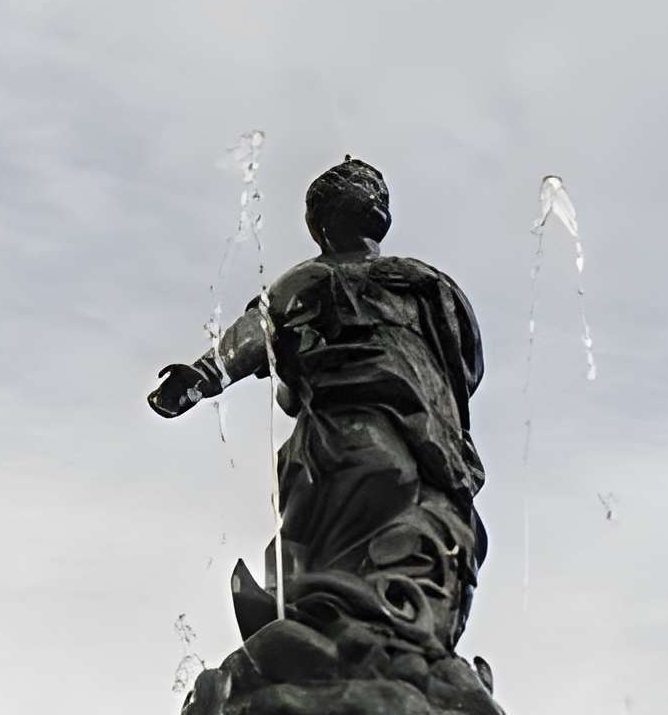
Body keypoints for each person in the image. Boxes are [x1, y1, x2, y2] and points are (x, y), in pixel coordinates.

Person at [149, 157, 488, 657]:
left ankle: (374, 617)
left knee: (414, 513)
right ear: (328, 221)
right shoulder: (328, 279)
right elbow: (256, 334)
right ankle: (322, 610)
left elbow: (461, 366)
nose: (372, 199)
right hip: (356, 419)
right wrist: (203, 374)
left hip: (415, 428)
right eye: (361, 191)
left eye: (375, 190)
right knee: (345, 487)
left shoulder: (421, 284)